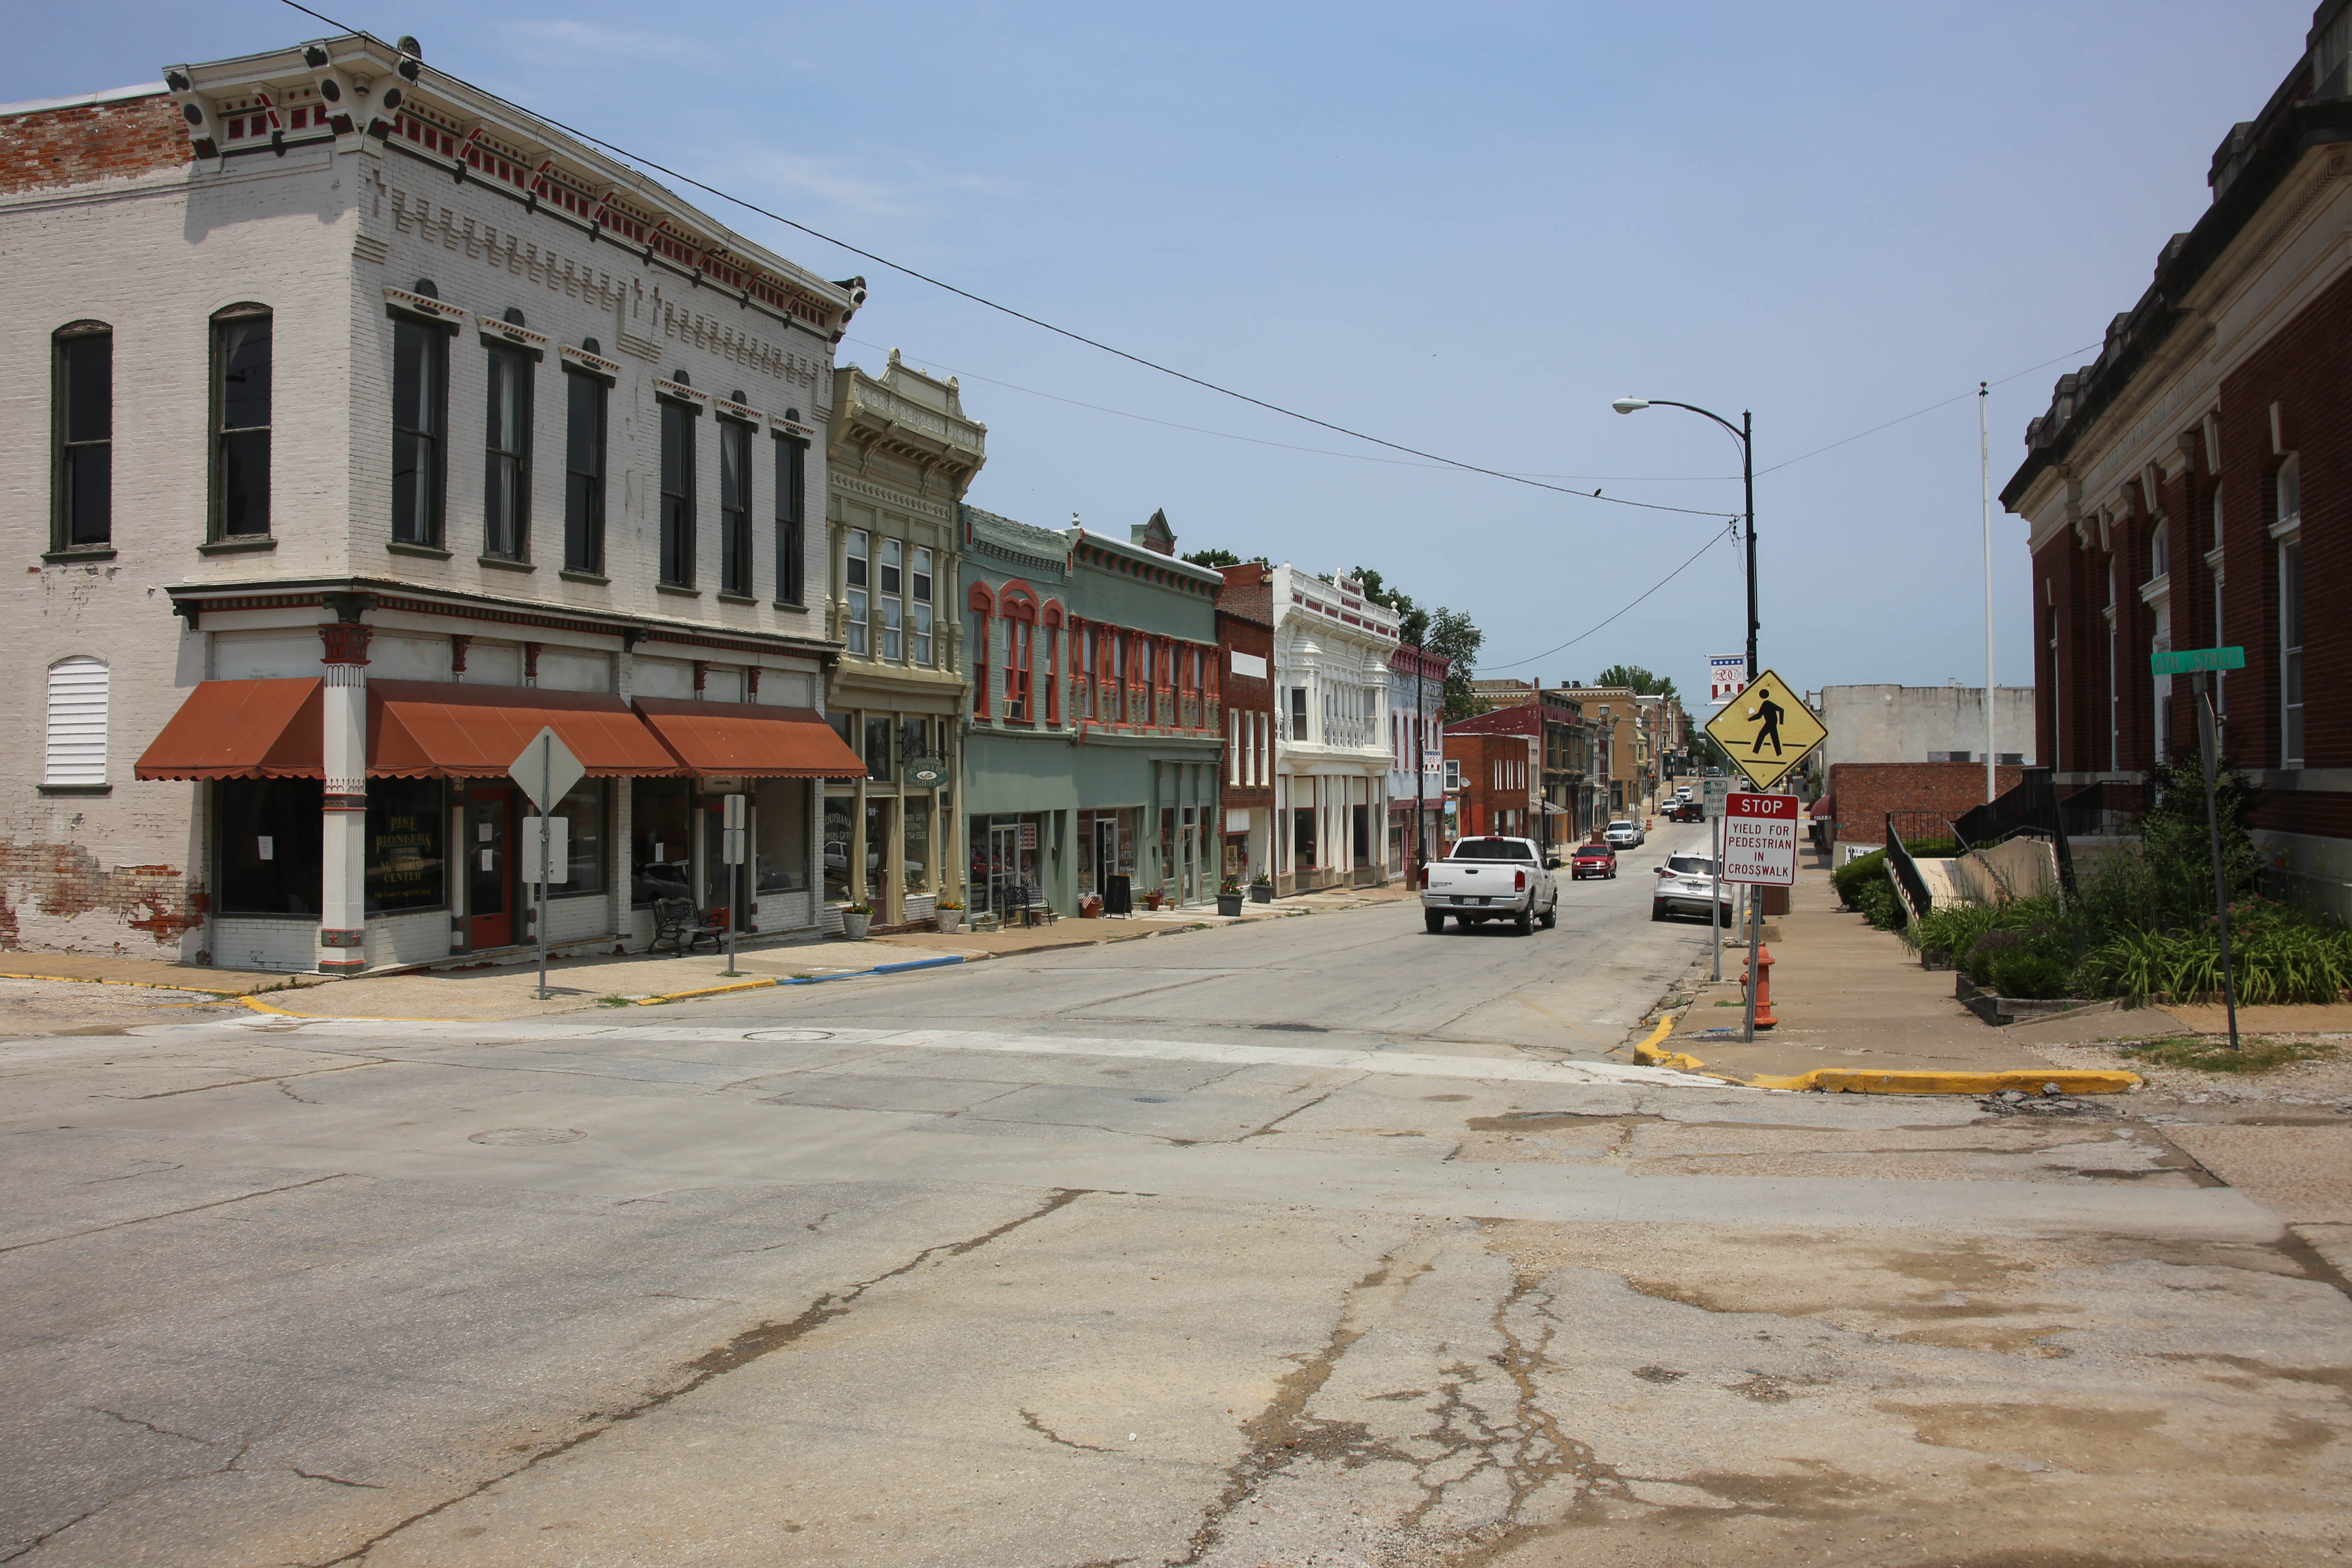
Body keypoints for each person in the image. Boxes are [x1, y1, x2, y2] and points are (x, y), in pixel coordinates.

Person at [1748, 685, 1785, 756]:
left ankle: (1755, 753)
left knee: (1763, 736)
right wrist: (1749, 719)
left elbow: (1781, 710)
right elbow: (1759, 716)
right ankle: (1779, 754)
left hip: (1771, 723)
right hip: (1770, 723)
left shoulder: (1768, 703)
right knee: (1773, 738)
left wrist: (1781, 723)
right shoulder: (1765, 704)